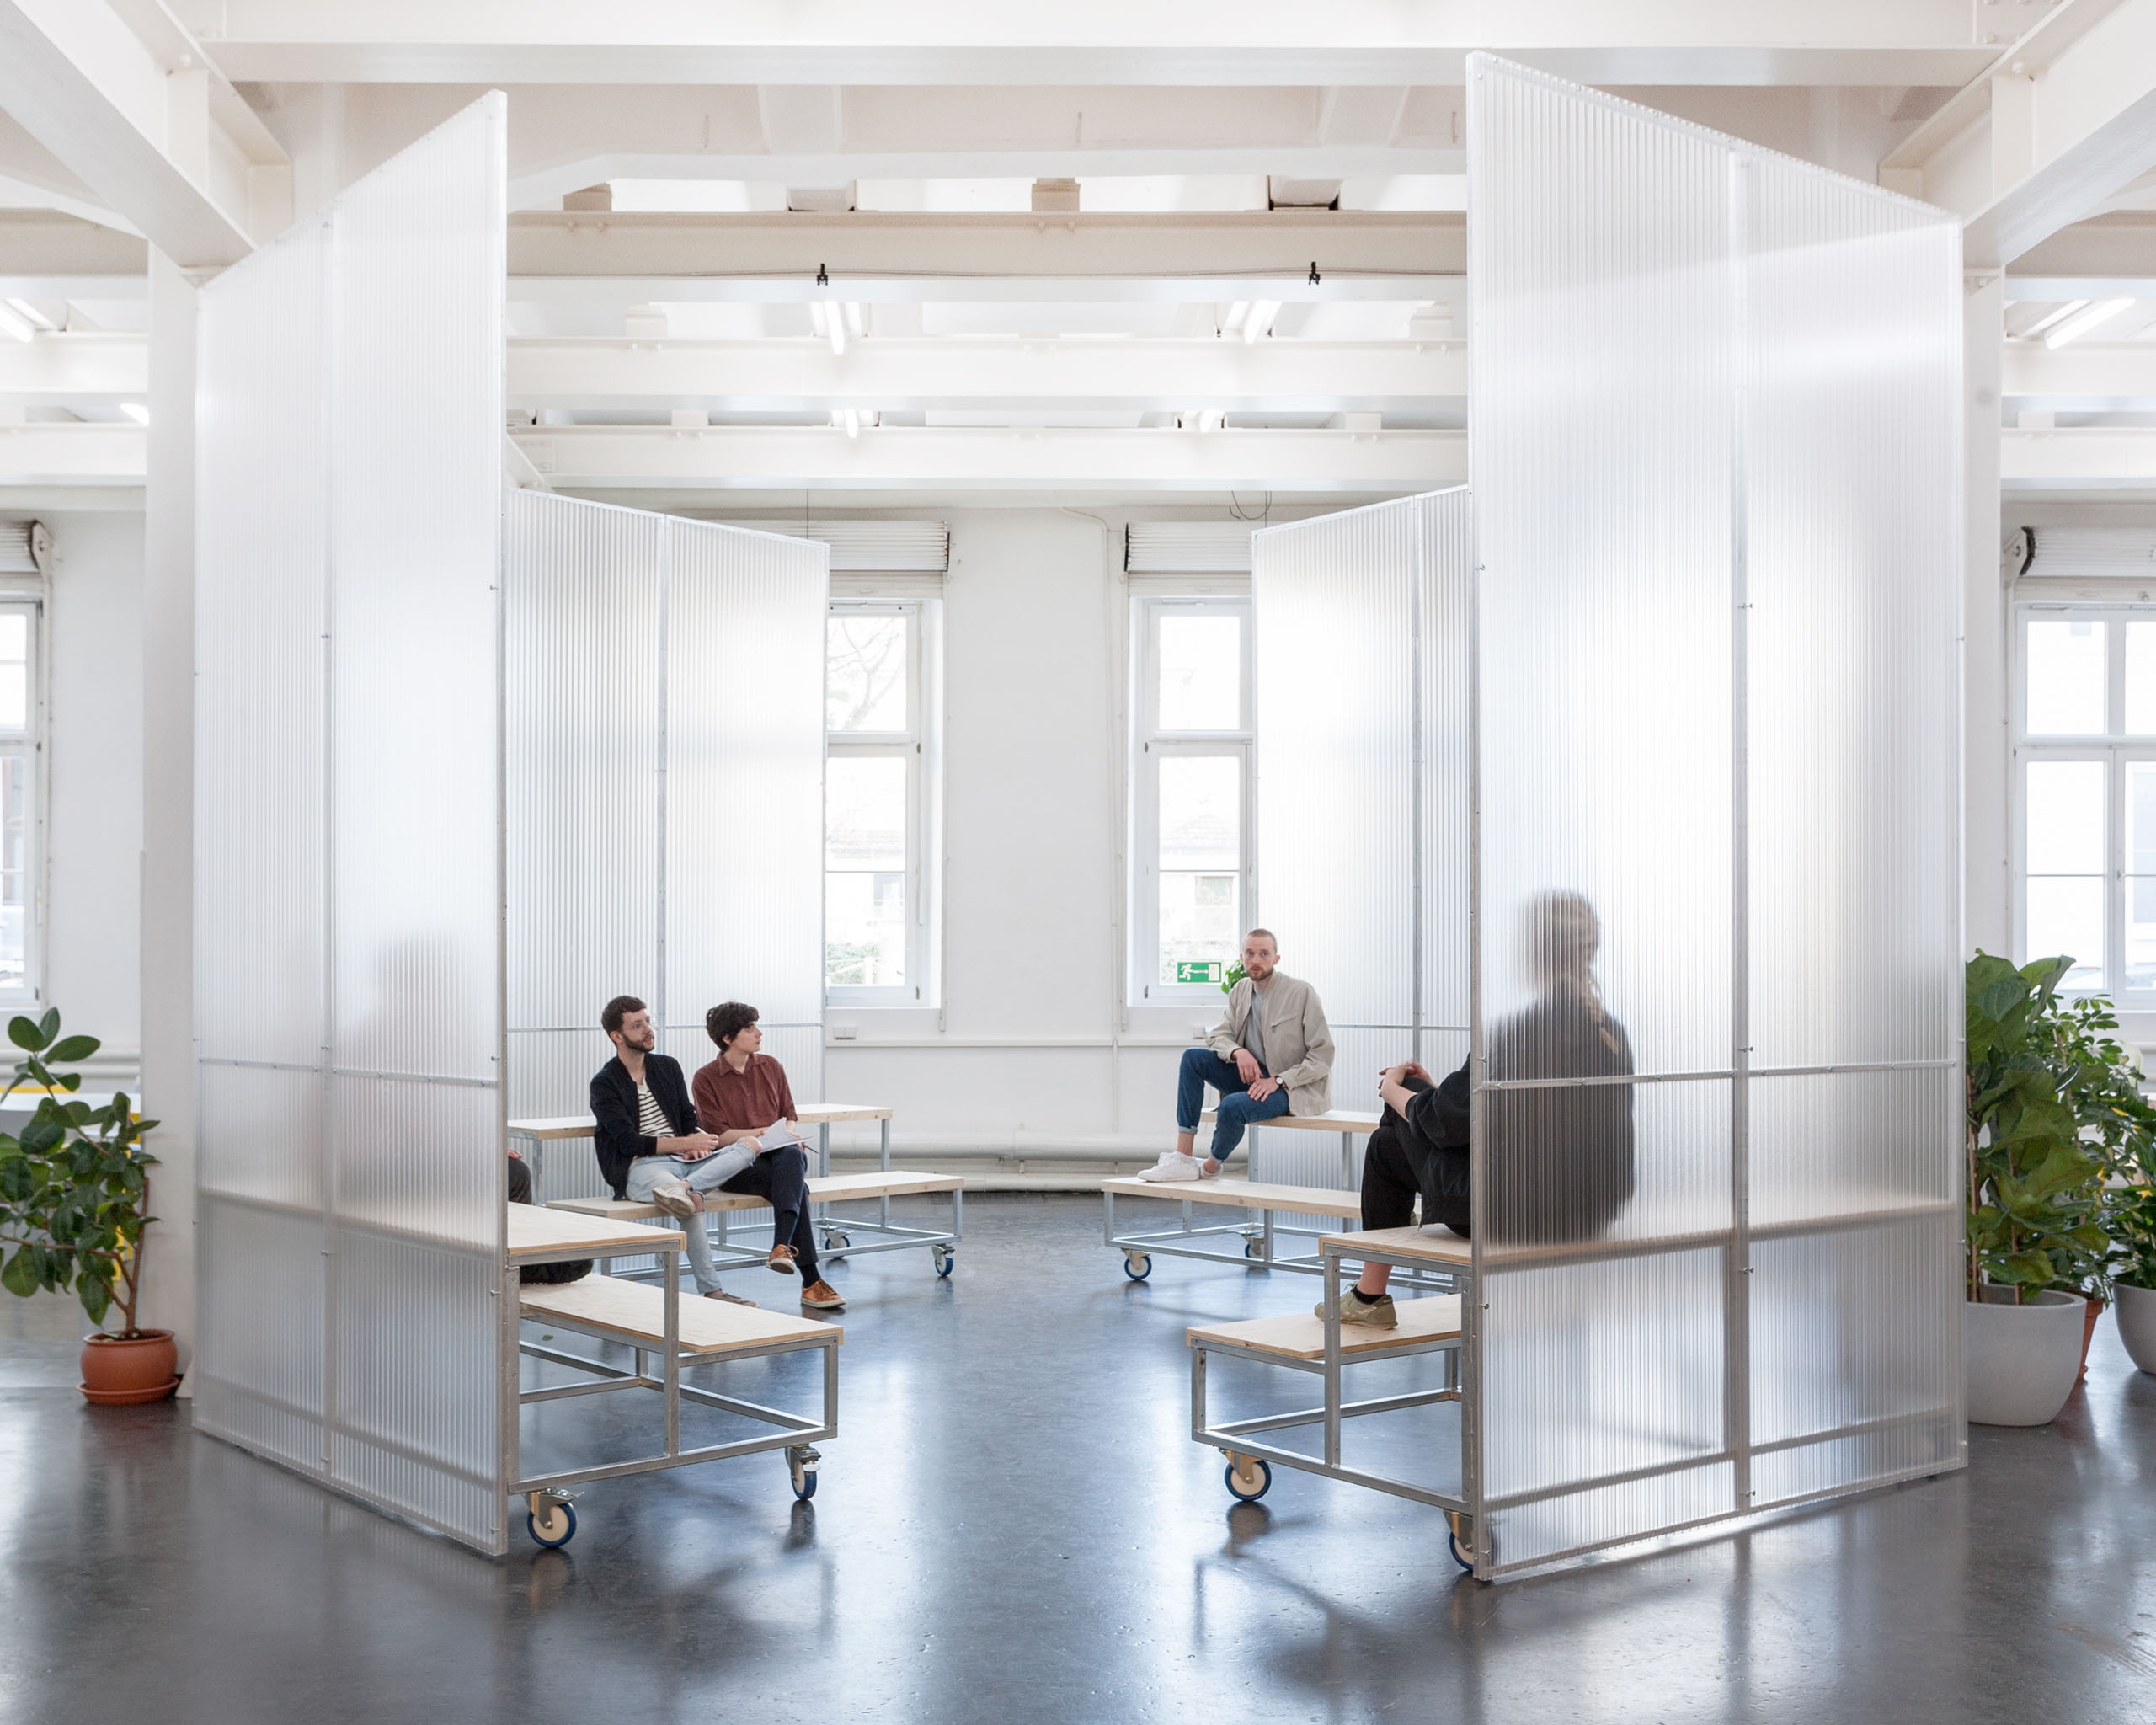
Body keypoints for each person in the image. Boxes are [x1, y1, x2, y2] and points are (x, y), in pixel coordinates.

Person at [1326, 891, 1635, 1327]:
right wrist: (1435, 1092)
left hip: (1517, 1213)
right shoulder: (1610, 1032)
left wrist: (1393, 1089)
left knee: (1385, 1142)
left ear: (1534, 952)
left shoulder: (1518, 1033)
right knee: (1407, 1123)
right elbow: (1513, 1119)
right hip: (1592, 1209)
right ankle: (1371, 1286)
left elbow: (1443, 1125)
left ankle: (1369, 1293)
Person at [588, 994, 758, 1308]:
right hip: (643, 1167)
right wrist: (687, 1143)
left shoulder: (667, 1066)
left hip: (685, 1165)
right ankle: (714, 1293)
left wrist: (693, 1141)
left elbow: (686, 1117)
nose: (648, 1030)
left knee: (749, 1145)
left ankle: (682, 1187)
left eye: (648, 1021)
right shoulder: (604, 1083)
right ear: (617, 1036)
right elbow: (629, 1143)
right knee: (691, 1203)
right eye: (637, 1026)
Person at [1138, 927, 1336, 1183]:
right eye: (1250, 953)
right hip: (1254, 1078)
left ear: (1276, 958)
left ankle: (1211, 1166)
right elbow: (1219, 1035)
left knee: (1231, 1106)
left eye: (1264, 954)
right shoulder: (1240, 990)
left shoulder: (1302, 993)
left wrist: (1278, 1080)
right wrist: (1237, 1052)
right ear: (1242, 957)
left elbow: (1323, 1056)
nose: (1256, 960)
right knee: (1192, 1058)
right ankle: (1183, 1158)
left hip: (1291, 1089)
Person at [691, 1001, 845, 1314]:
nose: (759, 1033)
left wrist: (785, 1134)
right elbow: (720, 1136)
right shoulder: (705, 1078)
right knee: (797, 1186)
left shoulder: (771, 1066)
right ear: (728, 1038)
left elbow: (789, 1118)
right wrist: (764, 1133)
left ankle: (783, 1249)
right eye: (750, 1028)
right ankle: (808, 1278)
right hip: (736, 1165)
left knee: (791, 1157)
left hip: (780, 1159)